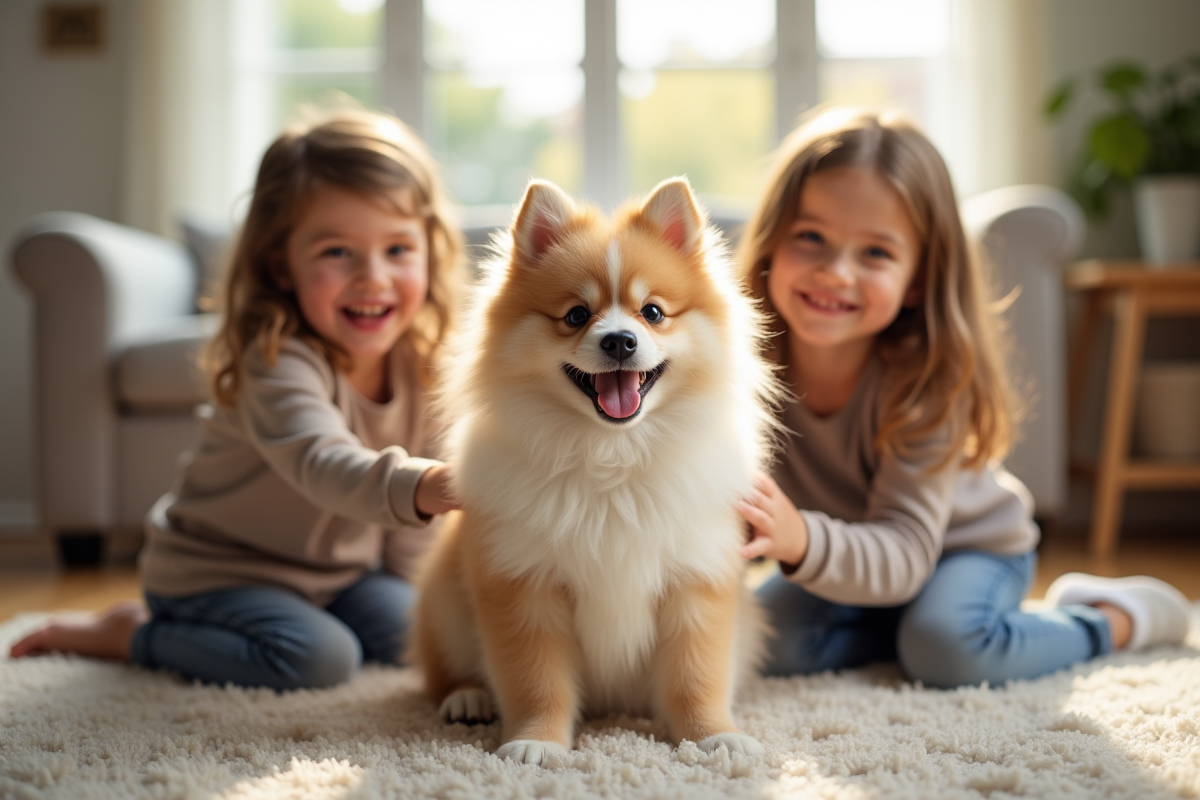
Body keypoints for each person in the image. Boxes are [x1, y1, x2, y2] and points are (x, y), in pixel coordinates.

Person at [10, 107, 467, 690]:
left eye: (398, 249)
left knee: (428, 629)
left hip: (340, 576)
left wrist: (412, 588)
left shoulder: (425, 363)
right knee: (319, 660)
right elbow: (321, 463)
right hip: (218, 572)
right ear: (281, 263)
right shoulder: (275, 359)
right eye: (336, 252)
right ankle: (132, 632)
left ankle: (326, 617)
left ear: (430, 248)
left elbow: (411, 531)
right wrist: (427, 485)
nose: (373, 277)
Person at [735, 107, 1191, 688]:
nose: (836, 272)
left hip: (968, 551)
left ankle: (1110, 619)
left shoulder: (925, 383)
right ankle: (910, 629)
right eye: (812, 238)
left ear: (919, 278)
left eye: (875, 252)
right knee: (763, 644)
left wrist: (797, 537)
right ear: (772, 244)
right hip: (852, 561)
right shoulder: (743, 370)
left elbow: (903, 553)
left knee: (948, 652)